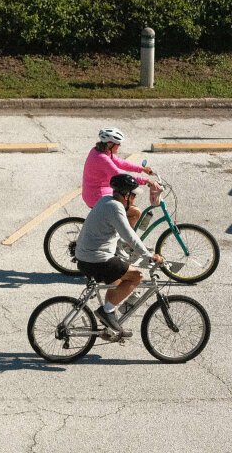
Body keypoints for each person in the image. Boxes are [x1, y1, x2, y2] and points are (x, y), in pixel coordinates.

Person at [73, 173, 163, 339]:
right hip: (96, 259)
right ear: (126, 194)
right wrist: (148, 255)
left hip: (88, 256)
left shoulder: (106, 201)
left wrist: (138, 250)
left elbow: (116, 234)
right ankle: (107, 312)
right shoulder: (115, 207)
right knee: (137, 275)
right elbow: (129, 235)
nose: (135, 199)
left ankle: (109, 325)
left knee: (118, 280)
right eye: (133, 195)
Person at [83, 127, 160, 228]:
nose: (119, 146)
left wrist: (141, 169)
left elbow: (120, 162)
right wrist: (146, 181)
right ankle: (124, 240)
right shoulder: (102, 158)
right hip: (97, 196)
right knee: (136, 212)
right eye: (118, 143)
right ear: (110, 143)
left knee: (131, 196)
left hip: (95, 191)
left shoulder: (98, 151)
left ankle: (117, 227)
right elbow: (123, 178)